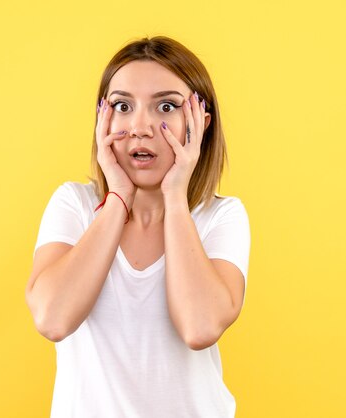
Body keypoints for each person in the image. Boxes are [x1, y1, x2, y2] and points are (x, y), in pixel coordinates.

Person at [25, 35, 251, 418]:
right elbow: (53, 318)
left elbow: (200, 328)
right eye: (122, 106)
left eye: (166, 106)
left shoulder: (221, 217)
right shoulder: (74, 205)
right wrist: (118, 197)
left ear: (200, 124)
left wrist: (176, 196)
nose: (140, 127)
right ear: (103, 118)